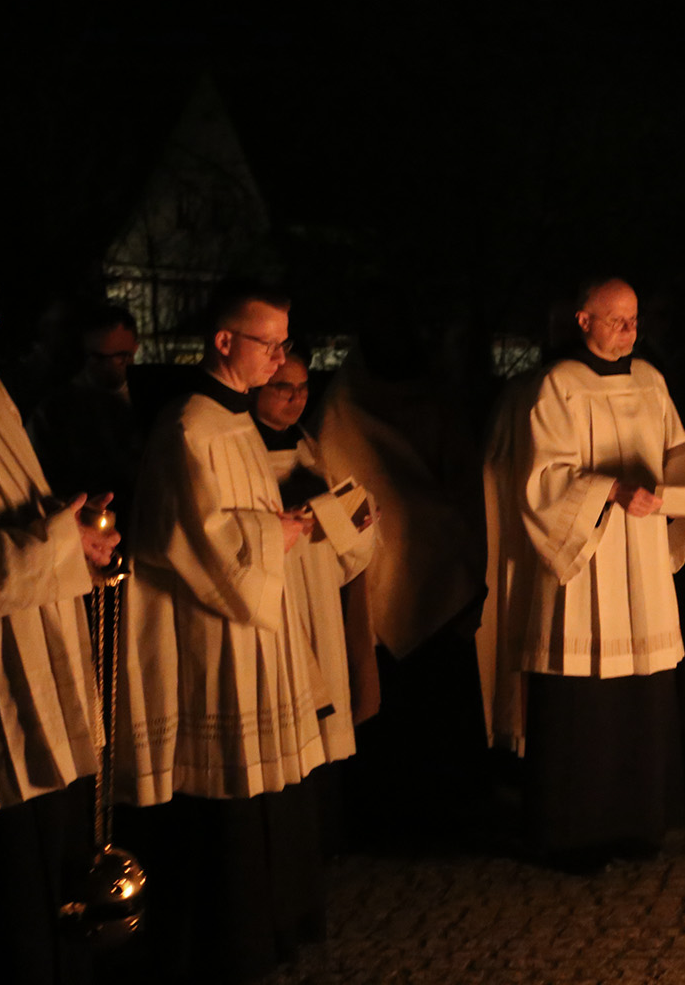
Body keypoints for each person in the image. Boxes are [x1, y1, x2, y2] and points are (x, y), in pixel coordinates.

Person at [115, 283, 331, 982]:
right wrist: (279, 532)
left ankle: (273, 920)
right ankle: (226, 938)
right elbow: (194, 541)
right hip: (214, 631)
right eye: (269, 342)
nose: (280, 356)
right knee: (227, 793)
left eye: (286, 343)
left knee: (268, 785)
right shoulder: (189, 427)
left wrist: (285, 527)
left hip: (254, 622)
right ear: (225, 341)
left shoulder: (234, 420)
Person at [483, 278, 685, 869]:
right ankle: (572, 832)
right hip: (587, 559)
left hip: (642, 555)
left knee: (641, 693)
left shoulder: (651, 380)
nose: (630, 331)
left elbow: (676, 449)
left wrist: (682, 481)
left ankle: (637, 823)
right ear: (582, 321)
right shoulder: (556, 387)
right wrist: (611, 489)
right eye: (616, 320)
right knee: (583, 700)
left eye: (634, 319)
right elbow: (540, 480)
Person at [0, 263, 121, 985]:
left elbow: (21, 512)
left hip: (42, 656)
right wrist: (59, 540)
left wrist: (74, 533)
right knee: (12, 904)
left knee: (62, 879)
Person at [315, 295, 487, 848]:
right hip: (385, 569)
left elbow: (460, 468)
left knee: (442, 702)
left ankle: (450, 810)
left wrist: (447, 520)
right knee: (395, 705)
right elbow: (346, 478)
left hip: (441, 566)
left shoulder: (430, 393)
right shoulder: (345, 405)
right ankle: (391, 818)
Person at [255, 353, 377, 789]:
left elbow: (348, 529)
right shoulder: (243, 448)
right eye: (283, 387)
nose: (297, 398)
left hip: (318, 581)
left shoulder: (306, 442)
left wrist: (354, 513)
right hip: (280, 583)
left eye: (304, 387)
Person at [29, 303, 146, 520]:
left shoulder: (151, 395)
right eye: (99, 358)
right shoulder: (56, 412)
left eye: (122, 356)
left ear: (135, 348)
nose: (111, 366)